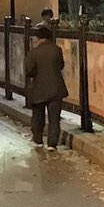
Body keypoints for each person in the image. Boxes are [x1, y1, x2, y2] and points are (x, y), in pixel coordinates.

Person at [25, 22, 67, 150]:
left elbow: (29, 71)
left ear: (38, 38)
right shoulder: (57, 50)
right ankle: (52, 143)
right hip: (56, 88)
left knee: (38, 116)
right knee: (54, 118)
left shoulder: (34, 52)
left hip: (39, 88)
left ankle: (38, 139)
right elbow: (61, 65)